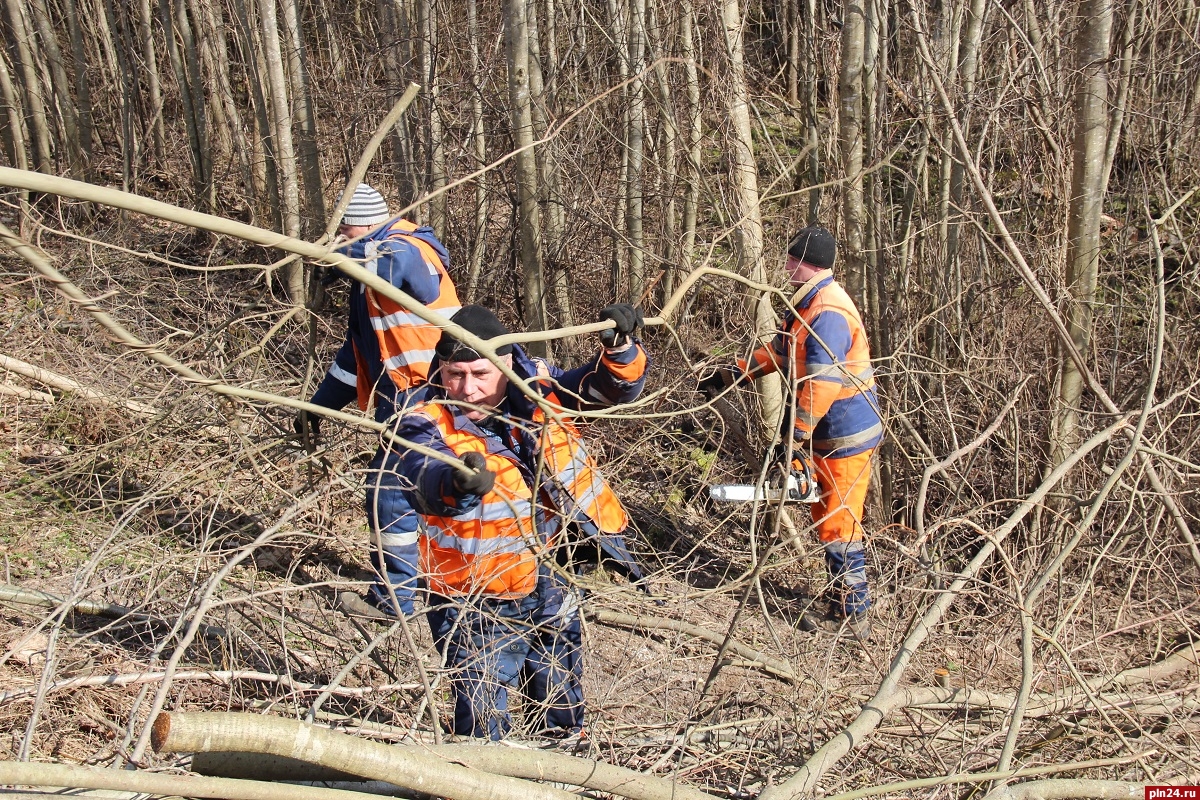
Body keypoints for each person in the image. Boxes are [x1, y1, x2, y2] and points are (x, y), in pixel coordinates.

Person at [391, 303, 648, 741]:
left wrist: (620, 348)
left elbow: (609, 389)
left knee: (560, 695)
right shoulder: (423, 422)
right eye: (455, 374)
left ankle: (563, 765)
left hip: (553, 574)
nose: (466, 389)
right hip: (472, 596)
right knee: (483, 710)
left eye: (479, 375)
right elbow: (418, 473)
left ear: (505, 366)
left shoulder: (541, 399)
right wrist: (455, 481)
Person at [698, 225, 882, 639]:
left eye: (790, 259)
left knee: (840, 524)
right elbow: (781, 353)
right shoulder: (807, 304)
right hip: (826, 433)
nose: (784, 266)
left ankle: (854, 617)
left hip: (845, 434)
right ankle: (841, 600)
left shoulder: (829, 311)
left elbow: (822, 384)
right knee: (826, 516)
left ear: (804, 263)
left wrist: (794, 435)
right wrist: (732, 374)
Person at [298, 183, 461, 618]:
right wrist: (320, 406)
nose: (340, 234)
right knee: (416, 491)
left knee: (392, 490)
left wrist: (341, 258)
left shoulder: (408, 248)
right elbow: (359, 354)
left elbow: (394, 266)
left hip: (428, 393)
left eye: (345, 227)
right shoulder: (368, 269)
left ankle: (396, 600)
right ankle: (435, 583)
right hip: (405, 394)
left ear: (364, 221)